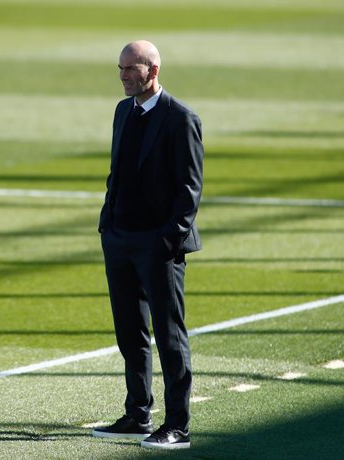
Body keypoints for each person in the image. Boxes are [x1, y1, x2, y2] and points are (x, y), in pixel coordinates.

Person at [92, 40, 204, 450]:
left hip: (157, 245)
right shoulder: (124, 110)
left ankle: (179, 426)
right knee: (130, 333)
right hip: (120, 239)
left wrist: (166, 240)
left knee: (169, 337)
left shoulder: (181, 119)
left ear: (152, 71)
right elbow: (116, 172)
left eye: (129, 69)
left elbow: (190, 190)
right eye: (119, 68)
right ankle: (138, 415)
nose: (122, 76)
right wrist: (109, 223)